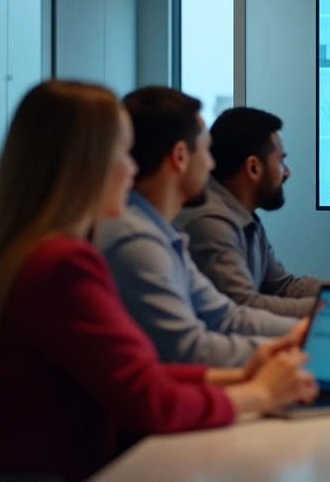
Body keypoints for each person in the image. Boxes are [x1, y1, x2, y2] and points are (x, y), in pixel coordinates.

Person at [0, 81, 318, 482]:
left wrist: (245, 372)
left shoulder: (30, 252)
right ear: (88, 165)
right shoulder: (63, 264)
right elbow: (150, 399)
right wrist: (260, 394)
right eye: (122, 152)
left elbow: (143, 374)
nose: (134, 168)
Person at [96, 87, 304, 368]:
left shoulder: (161, 234)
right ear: (180, 156)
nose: (212, 164)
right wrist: (295, 345)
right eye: (205, 150)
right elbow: (189, 349)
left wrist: (304, 334)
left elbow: (225, 315)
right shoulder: (135, 241)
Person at [176, 107, 330, 319]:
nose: (287, 172)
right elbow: (245, 306)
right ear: (254, 167)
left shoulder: (246, 218)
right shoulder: (210, 224)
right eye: (280, 161)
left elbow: (283, 287)